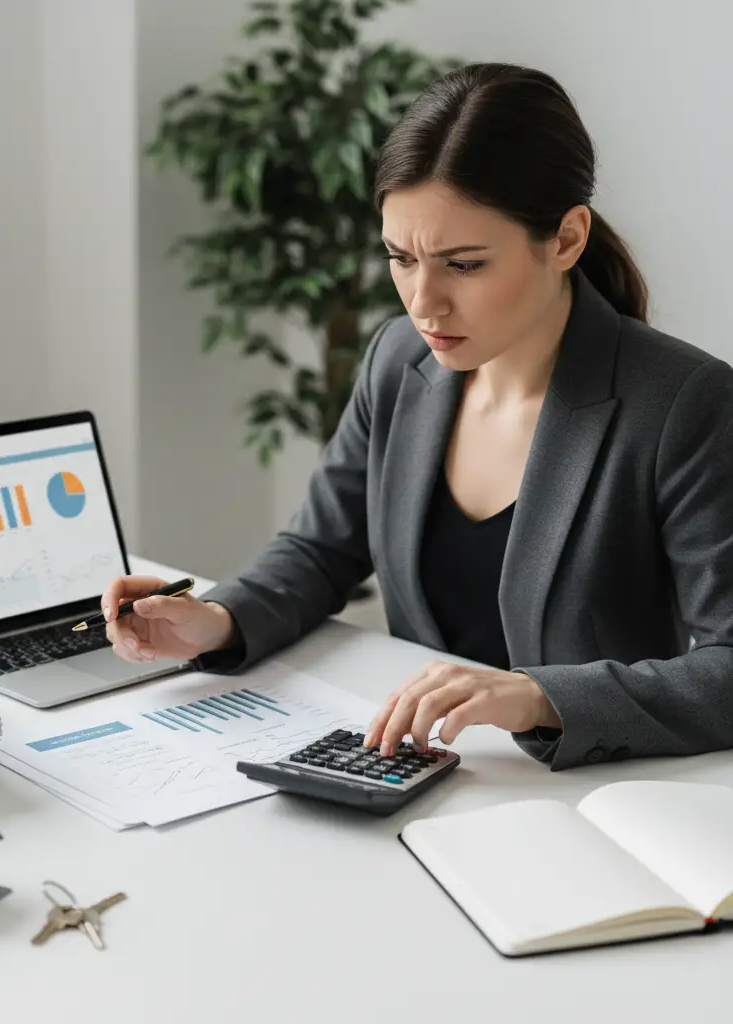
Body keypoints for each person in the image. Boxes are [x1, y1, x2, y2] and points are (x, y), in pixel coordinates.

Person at [100, 62, 733, 772]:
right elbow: (321, 549)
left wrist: (535, 696)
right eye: (401, 258)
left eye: (464, 264)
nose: (422, 302)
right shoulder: (400, 360)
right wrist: (218, 620)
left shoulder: (686, 403)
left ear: (565, 239)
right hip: (417, 771)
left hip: (589, 790)